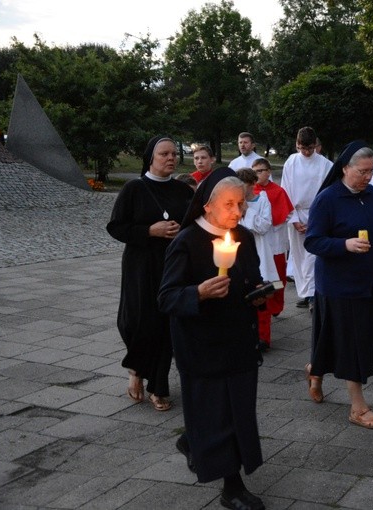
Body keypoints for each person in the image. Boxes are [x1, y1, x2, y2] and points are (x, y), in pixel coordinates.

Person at [158, 167, 266, 510]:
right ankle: (231, 487)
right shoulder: (186, 242)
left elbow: (252, 279)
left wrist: (258, 292)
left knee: (237, 413)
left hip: (239, 342)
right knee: (218, 416)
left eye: (242, 204)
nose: (239, 211)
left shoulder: (244, 238)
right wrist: (198, 293)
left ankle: (194, 440)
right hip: (202, 346)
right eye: (231, 205)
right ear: (207, 206)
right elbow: (166, 297)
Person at [304, 141, 373, 428]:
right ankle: (358, 407)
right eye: (362, 171)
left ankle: (315, 371)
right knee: (351, 343)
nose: (368, 177)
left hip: (365, 281)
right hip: (337, 284)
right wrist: (344, 244)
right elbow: (313, 241)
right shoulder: (327, 199)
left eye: (371, 171)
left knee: (339, 338)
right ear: (345, 168)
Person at [106, 135, 194, 411]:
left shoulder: (184, 191)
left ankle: (159, 386)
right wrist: (149, 231)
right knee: (136, 322)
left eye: (173, 155)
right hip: (141, 266)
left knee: (166, 325)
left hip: (173, 265)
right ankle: (135, 369)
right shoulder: (134, 189)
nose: (170, 158)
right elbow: (116, 227)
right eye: (164, 154)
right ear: (151, 158)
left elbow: (195, 223)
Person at [280, 127, 332, 311]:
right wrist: (293, 219)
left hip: (316, 213)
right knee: (298, 255)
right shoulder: (291, 162)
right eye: (303, 148)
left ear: (316, 145)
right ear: (297, 145)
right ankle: (305, 292)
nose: (306, 152)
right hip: (296, 212)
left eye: (310, 148)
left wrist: (318, 219)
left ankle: (313, 294)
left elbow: (328, 193)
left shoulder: (325, 164)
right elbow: (285, 191)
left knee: (313, 256)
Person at [237, 168, 277, 351]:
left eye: (243, 186)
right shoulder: (235, 201)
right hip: (240, 252)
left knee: (262, 295)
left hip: (260, 249)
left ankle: (263, 338)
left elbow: (264, 225)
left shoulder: (262, 200)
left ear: (252, 185)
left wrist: (248, 212)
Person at [252, 158, 294, 326]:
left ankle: (276, 304)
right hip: (258, 241)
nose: (258, 174)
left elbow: (287, 213)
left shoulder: (278, 191)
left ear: (269, 172)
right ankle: (264, 306)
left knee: (278, 276)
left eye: (261, 170)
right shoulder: (250, 191)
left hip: (275, 240)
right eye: (255, 171)